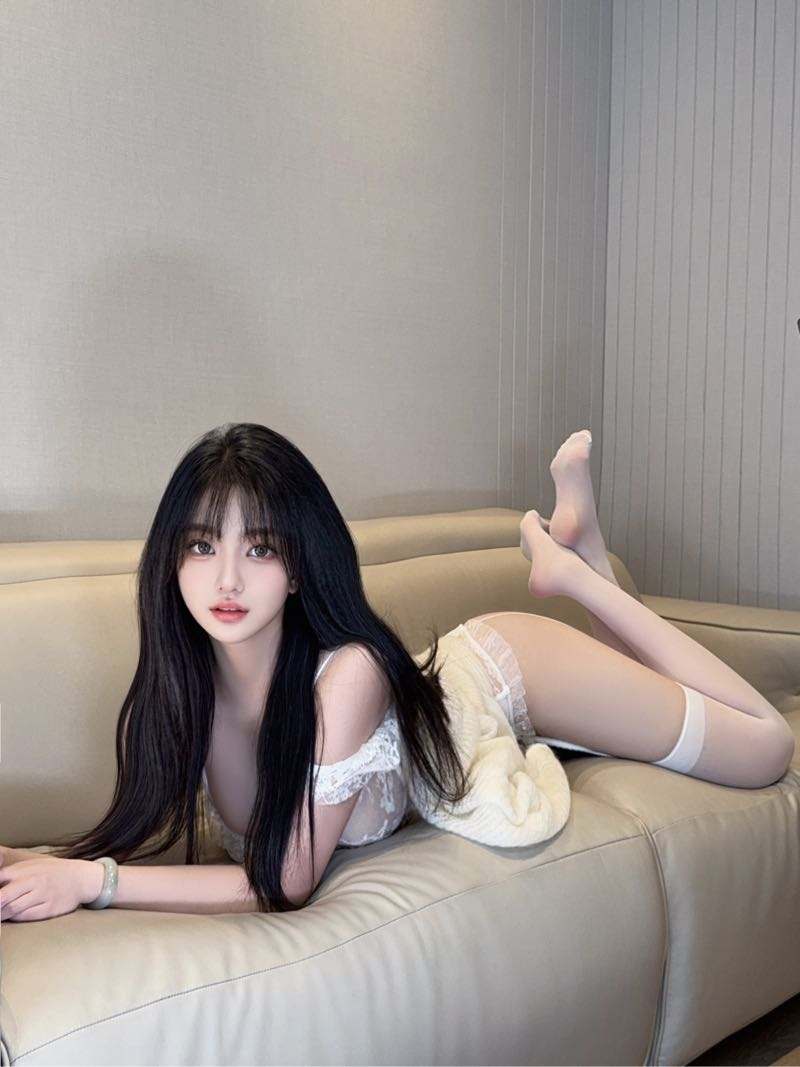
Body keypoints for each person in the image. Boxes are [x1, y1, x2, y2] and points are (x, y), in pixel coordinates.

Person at [0, 424, 793, 923]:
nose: (227, 579)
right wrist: (52, 864)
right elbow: (158, 834)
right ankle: (582, 543)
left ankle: (575, 578)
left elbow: (284, 881)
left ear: (300, 566)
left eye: (261, 547)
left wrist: (97, 882)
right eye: (202, 545)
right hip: (461, 691)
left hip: (507, 672)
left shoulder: (348, 678)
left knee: (764, 746)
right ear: (172, 561)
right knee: (640, 682)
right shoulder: (186, 687)